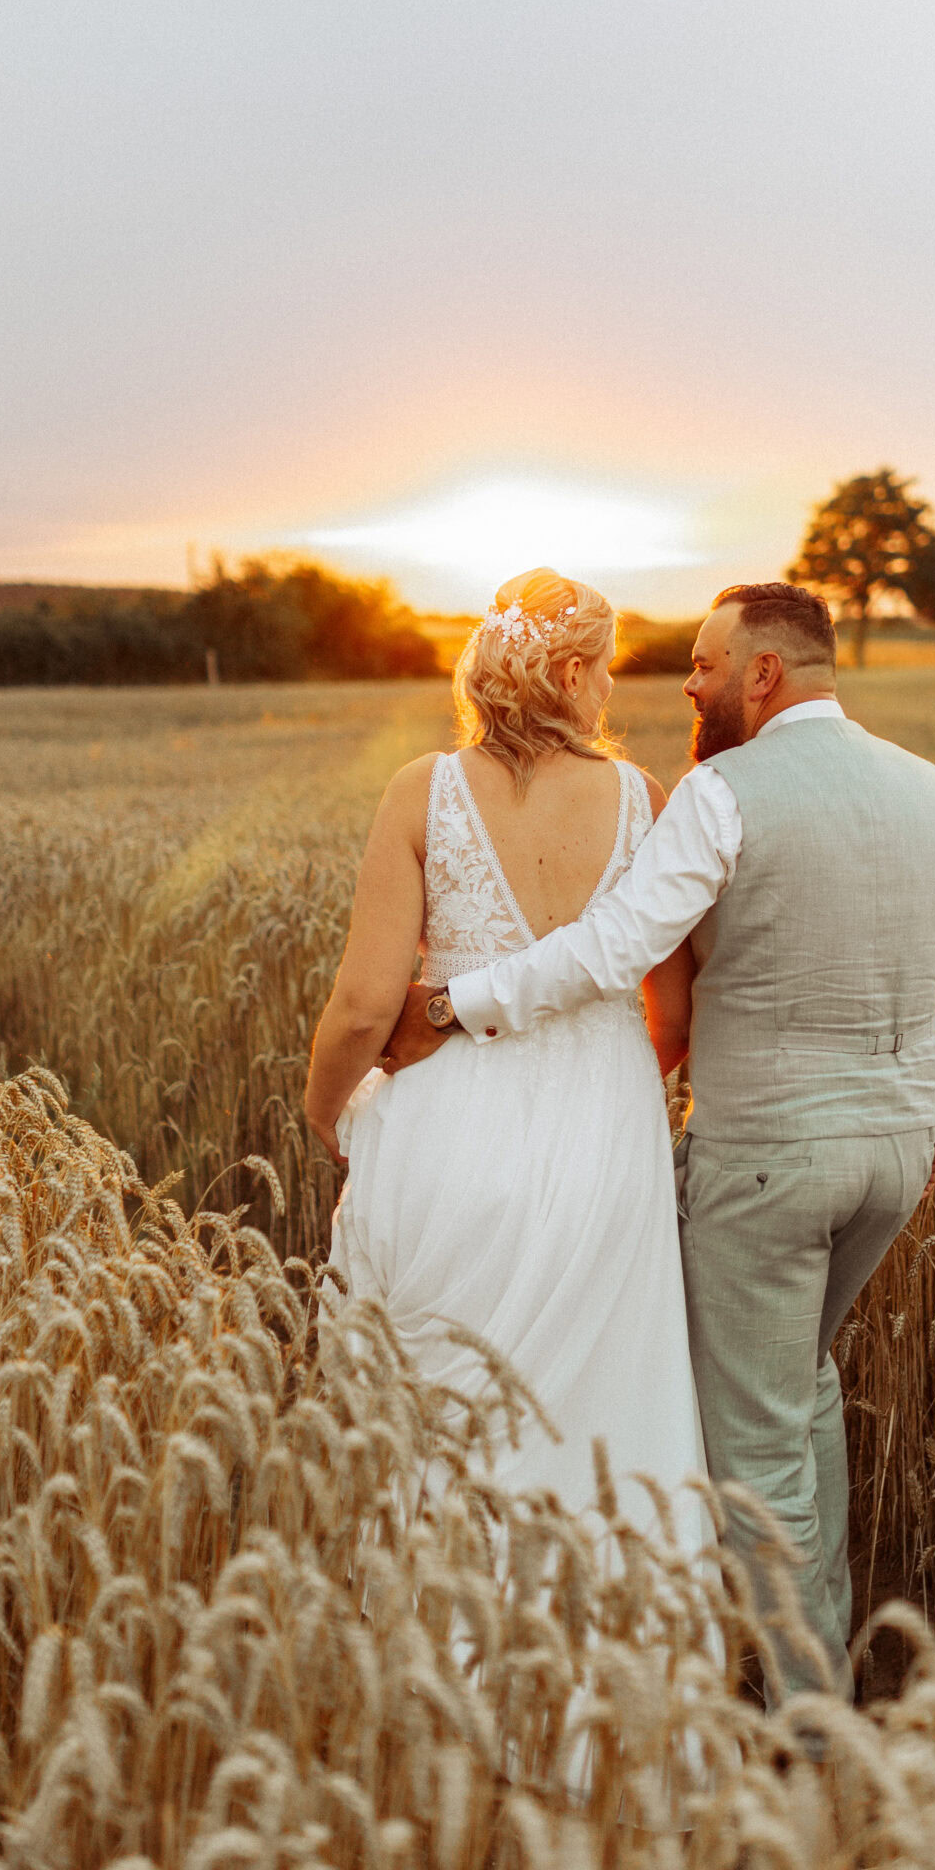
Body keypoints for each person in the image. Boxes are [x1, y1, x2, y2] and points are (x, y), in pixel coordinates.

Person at [383, 580, 935, 1699]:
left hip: (767, 1158)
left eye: (708, 664)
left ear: (763, 674)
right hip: (894, 1157)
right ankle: (828, 1671)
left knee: (758, 1443)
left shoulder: (721, 794)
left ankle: (812, 1726)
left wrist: (453, 1004)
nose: (690, 682)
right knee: (802, 1383)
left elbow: (616, 944)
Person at [303, 566, 710, 1546]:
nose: (610, 689)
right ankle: (609, 1663)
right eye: (604, 670)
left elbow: (365, 1002)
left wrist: (327, 1110)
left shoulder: (420, 791)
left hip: (443, 1128)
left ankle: (435, 1658)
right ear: (570, 674)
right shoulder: (639, 796)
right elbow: (675, 1006)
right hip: (606, 1139)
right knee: (604, 1418)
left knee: (434, 1427)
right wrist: (598, 1082)